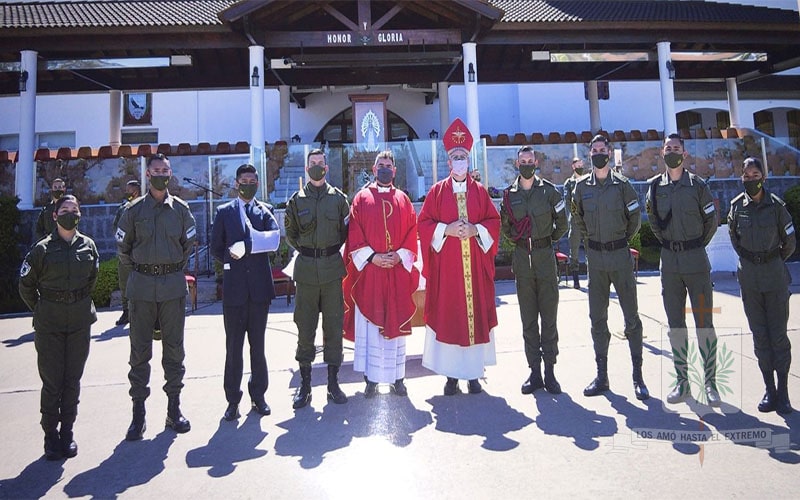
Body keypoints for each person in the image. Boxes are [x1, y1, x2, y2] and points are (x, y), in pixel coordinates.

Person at [418, 118, 501, 396]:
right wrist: (447, 230)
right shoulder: (436, 192)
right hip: (449, 271)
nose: (459, 162)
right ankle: (452, 376)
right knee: (450, 317)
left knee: (474, 317)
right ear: (448, 161)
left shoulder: (480, 192)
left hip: (474, 270)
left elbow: (494, 221)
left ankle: (473, 375)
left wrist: (476, 229)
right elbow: (424, 223)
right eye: (455, 157)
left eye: (463, 157)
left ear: (468, 159)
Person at [116, 153, 196, 440]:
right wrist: (146, 270)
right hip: (142, 288)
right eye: (156, 170)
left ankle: (174, 410)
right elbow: (123, 251)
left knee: (174, 350)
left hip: (172, 287)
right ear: (147, 175)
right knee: (139, 352)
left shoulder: (181, 210)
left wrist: (168, 268)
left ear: (170, 174)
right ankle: (138, 414)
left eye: (166, 170)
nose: (161, 174)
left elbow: (188, 245)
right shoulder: (133, 211)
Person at [19, 194, 99, 460]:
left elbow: (91, 280)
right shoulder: (42, 249)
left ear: (80, 215)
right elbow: (26, 286)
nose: (70, 214)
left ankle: (67, 432)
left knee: (72, 380)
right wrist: (43, 309)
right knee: (52, 382)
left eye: (74, 210)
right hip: (50, 324)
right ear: (55, 216)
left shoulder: (88, 246)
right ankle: (50, 435)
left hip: (78, 322)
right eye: (64, 210)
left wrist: (74, 302)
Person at [571, 134, 649, 400]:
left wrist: (620, 240)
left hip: (619, 257)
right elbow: (577, 219)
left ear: (609, 152)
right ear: (589, 154)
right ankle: (602, 376)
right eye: (594, 151)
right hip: (596, 260)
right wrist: (591, 241)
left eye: (602, 150)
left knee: (631, 317)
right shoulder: (581, 188)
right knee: (597, 319)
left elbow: (634, 219)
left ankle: (638, 376)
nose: (598, 154)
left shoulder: (623, 186)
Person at [646, 133, 720, 406]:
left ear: (684, 154)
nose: (672, 152)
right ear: (662, 153)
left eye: (677, 148)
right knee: (676, 326)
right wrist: (670, 244)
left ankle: (710, 383)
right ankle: (682, 381)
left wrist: (695, 244)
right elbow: (653, 220)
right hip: (670, 263)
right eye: (668, 149)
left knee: (704, 325)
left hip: (696, 262)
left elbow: (711, 221)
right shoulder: (654, 188)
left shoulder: (698, 186)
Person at [342, 151, 419, 398]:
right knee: (371, 328)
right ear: (373, 170)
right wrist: (373, 257)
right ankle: (371, 380)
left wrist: (399, 255)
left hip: (396, 272)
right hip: (371, 274)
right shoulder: (361, 199)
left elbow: (412, 232)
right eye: (381, 166)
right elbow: (355, 233)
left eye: (389, 166)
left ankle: (398, 379)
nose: (385, 169)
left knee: (395, 323)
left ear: (394, 171)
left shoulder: (404, 200)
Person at [211, 164, 280, 421]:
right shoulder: (224, 212)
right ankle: (232, 399)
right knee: (233, 348)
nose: (248, 184)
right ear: (236, 183)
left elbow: (273, 239)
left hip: (259, 291)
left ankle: (258, 395)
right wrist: (231, 259)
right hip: (235, 291)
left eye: (252, 180)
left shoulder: (265, 211)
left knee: (258, 346)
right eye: (244, 180)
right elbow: (215, 246)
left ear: (257, 184)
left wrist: (248, 246)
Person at [728, 157, 796, 414]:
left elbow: (789, 243)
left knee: (778, 336)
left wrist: (770, 259)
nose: (751, 180)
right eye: (746, 176)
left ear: (763, 178)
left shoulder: (777, 207)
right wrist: (753, 260)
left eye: (755, 175)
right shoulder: (736, 207)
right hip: (750, 280)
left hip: (775, 277)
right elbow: (735, 238)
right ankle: (769, 389)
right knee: (759, 336)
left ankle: (784, 392)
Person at [284, 148, 350, 409]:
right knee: (305, 327)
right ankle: (306, 385)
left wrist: (327, 250)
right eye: (312, 164)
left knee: (334, 327)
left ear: (327, 168)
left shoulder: (339, 200)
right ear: (306, 168)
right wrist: (309, 250)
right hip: (307, 271)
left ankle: (333, 384)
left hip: (333, 268)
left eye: (321, 163)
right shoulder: (296, 201)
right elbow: (290, 234)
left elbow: (345, 232)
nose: (317, 167)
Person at [500, 145, 568, 395]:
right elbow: (506, 227)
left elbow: (562, 223)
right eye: (523, 161)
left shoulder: (549, 192)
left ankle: (550, 372)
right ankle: (534, 372)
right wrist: (521, 243)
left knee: (549, 318)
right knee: (528, 320)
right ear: (517, 164)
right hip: (522, 258)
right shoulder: (510, 195)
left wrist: (545, 240)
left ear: (536, 163)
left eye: (530, 160)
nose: (527, 164)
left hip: (544, 257)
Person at [112, 180, 142, 327]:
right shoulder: (122, 208)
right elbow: (116, 228)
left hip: (141, 253)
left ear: (136, 190)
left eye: (129, 189)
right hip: (125, 252)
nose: (127, 192)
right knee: (124, 283)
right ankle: (126, 311)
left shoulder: (145, 206)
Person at [563, 158, 586, 289]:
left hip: (588, 220)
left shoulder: (588, 180)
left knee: (591, 250)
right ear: (573, 167)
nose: (580, 167)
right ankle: (576, 279)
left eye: (581, 165)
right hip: (575, 221)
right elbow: (567, 201)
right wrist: (573, 215)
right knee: (574, 252)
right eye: (578, 165)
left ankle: (592, 278)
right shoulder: (569, 183)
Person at [34, 177, 66, 242]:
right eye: (55, 187)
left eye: (60, 187)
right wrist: (45, 241)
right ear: (52, 190)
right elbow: (38, 229)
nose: (57, 190)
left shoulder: (68, 208)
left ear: (64, 189)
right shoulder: (46, 209)